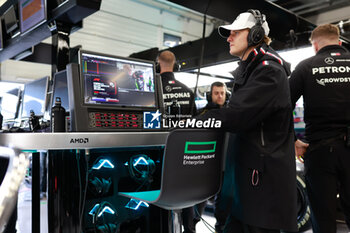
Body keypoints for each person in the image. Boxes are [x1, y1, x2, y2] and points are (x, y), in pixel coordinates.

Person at [197, 9, 298, 233]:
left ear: (255, 35)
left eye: (235, 32)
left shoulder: (268, 71)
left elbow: (237, 116)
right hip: (247, 186)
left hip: (262, 191)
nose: (229, 38)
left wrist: (197, 121)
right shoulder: (252, 70)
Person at [289, 24, 350, 233]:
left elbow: (280, 107)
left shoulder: (306, 66)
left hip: (319, 152)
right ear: (340, 42)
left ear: (315, 46)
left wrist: (292, 141)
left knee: (323, 220)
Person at [182, 81, 230, 233]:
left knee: (224, 205)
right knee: (198, 202)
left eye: (222, 93)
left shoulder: (232, 113)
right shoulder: (203, 114)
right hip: (206, 164)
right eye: (216, 93)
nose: (220, 96)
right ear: (210, 95)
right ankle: (190, 228)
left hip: (226, 165)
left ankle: (221, 228)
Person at [158, 50, 196, 118]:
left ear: (158, 63)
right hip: (184, 128)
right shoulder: (188, 91)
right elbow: (195, 119)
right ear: (175, 64)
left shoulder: (153, 92)